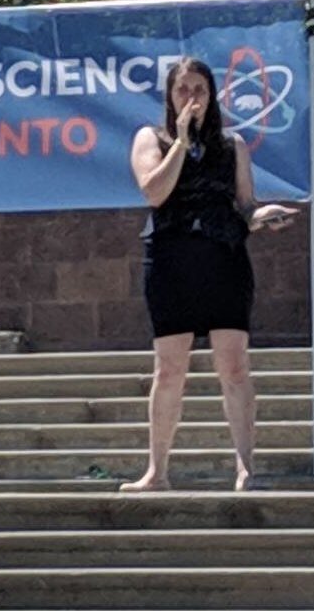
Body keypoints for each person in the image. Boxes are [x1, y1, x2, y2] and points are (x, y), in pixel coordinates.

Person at [120, 57, 297, 492]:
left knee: (234, 366)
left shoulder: (232, 145)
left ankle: (246, 468)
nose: (192, 98)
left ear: (212, 95)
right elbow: (155, 192)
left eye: (199, 89)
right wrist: (180, 142)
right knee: (169, 370)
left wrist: (263, 215)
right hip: (170, 260)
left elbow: (245, 205)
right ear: (169, 96)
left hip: (223, 259)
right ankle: (157, 472)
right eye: (183, 90)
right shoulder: (151, 138)